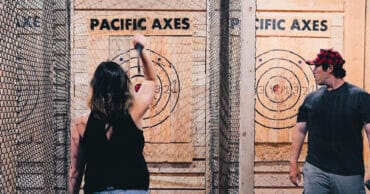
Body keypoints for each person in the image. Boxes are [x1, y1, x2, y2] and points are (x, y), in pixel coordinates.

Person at [68, 34, 156, 194]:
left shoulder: (81, 124)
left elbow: (75, 172)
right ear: (123, 86)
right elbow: (150, 81)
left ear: (95, 87)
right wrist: (142, 50)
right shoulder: (134, 113)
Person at [289, 48, 370, 193]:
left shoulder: (360, 97)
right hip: (316, 171)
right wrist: (293, 163)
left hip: (349, 173)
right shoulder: (311, 99)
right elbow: (300, 131)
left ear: (330, 68)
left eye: (317, 66)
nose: (314, 71)